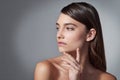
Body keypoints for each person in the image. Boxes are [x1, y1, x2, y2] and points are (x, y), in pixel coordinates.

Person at [34, 2, 116, 80]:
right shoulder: (46, 68)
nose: (59, 35)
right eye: (58, 28)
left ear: (90, 34)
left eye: (69, 28)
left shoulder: (107, 78)